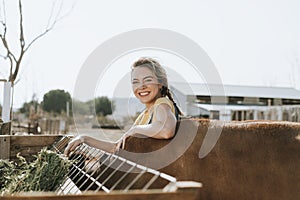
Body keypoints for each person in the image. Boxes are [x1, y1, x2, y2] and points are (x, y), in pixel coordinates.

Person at [64, 57, 182, 156]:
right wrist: (84, 138)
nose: (141, 86)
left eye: (148, 80)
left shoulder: (161, 103)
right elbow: (117, 147)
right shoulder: (144, 115)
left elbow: (167, 130)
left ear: (160, 83)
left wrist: (135, 130)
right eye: (135, 81)